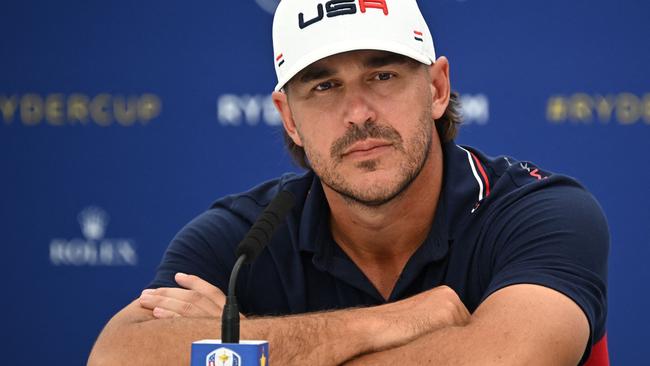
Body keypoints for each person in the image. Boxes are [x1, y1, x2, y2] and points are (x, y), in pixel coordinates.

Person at [88, 0, 609, 365]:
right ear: (289, 117)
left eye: (382, 76)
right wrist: (386, 323)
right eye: (324, 86)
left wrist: (241, 343)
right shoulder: (243, 237)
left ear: (436, 88)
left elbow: (506, 360)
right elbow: (117, 357)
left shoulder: (541, 213)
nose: (357, 113)